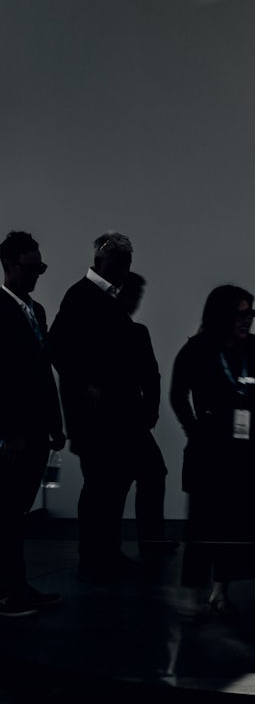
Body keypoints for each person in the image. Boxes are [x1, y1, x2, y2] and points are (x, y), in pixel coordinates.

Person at [48, 231, 142, 581]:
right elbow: (56, 345)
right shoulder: (82, 296)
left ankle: (105, 553)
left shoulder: (101, 296)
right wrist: (85, 385)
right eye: (123, 262)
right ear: (106, 261)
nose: (127, 268)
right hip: (95, 417)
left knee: (111, 484)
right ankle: (95, 556)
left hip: (109, 414)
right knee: (101, 485)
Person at [171, 285, 255, 615]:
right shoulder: (198, 350)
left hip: (244, 451)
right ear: (222, 316)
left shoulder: (253, 349)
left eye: (249, 314)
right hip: (209, 450)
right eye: (240, 314)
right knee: (203, 524)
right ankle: (194, 593)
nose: (246, 321)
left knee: (236, 524)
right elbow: (177, 394)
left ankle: (220, 591)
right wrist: (194, 428)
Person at [0, 232, 65, 617]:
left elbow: (44, 373)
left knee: (16, 513)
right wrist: (9, 432)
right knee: (8, 513)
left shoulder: (35, 310)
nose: (37, 275)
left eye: (41, 267)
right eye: (30, 267)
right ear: (8, 265)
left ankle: (16, 587)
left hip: (37, 432)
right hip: (16, 435)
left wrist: (56, 423)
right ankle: (10, 593)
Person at [117, 272, 175, 557]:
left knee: (141, 476)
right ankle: (149, 541)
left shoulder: (134, 331)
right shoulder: (132, 332)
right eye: (133, 295)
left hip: (129, 419)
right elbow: (151, 376)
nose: (136, 301)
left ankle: (147, 542)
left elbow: (152, 376)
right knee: (147, 475)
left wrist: (149, 412)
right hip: (125, 419)